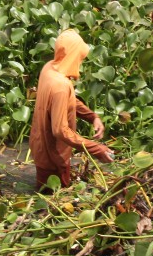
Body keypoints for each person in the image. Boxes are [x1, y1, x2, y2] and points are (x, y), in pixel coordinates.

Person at [29, 29, 114, 190]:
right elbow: (60, 131)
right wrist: (96, 149)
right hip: (53, 159)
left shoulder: (49, 68)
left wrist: (92, 117)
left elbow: (67, 100)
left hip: (39, 148)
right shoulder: (60, 86)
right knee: (53, 201)